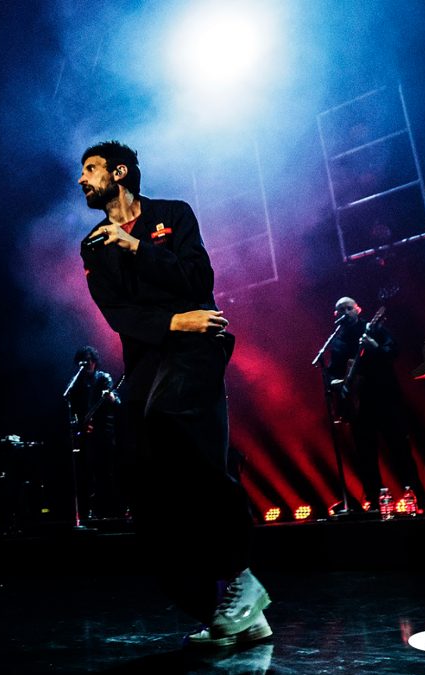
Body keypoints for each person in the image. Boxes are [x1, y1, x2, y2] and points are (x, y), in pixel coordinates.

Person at [77, 140, 271, 648]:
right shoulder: (92, 246)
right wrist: (171, 321)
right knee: (142, 476)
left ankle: (242, 575)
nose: (82, 179)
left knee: (174, 423)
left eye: (91, 169)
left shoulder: (174, 214)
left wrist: (137, 247)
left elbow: (198, 278)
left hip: (196, 347)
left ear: (120, 172)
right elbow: (117, 314)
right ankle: (224, 610)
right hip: (149, 356)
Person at [327, 297, 425, 513]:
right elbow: (332, 371)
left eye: (349, 308)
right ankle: (374, 501)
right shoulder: (337, 340)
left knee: (400, 449)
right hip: (358, 405)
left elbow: (394, 351)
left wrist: (375, 348)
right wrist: (335, 382)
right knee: (365, 455)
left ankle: (420, 499)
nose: (345, 312)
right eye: (341, 310)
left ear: (358, 309)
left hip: (385, 398)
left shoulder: (374, 328)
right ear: (336, 315)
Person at [66, 345, 124, 520]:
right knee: (86, 472)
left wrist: (110, 397)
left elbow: (117, 402)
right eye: (85, 361)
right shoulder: (77, 382)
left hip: (104, 432)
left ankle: (110, 510)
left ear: (95, 361)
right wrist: (79, 423)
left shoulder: (103, 378)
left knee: (105, 471)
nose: (89, 363)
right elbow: (71, 405)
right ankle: (89, 511)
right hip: (86, 434)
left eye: (91, 360)